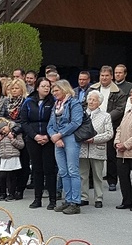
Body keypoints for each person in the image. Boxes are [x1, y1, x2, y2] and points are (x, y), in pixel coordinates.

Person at [48, 79, 84, 214]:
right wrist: (54, 136)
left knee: (73, 170)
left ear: (64, 89)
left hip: (71, 138)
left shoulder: (74, 103)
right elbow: (50, 125)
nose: (54, 93)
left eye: (56, 90)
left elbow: (76, 122)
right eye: (53, 91)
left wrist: (60, 134)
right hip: (58, 139)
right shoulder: (56, 105)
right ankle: (68, 200)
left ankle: (75, 202)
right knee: (63, 171)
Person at [20, 77, 57, 209]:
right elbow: (24, 121)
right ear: (37, 87)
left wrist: (47, 136)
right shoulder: (28, 101)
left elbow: (56, 120)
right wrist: (35, 136)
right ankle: (37, 199)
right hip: (33, 139)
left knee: (49, 169)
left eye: (48, 86)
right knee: (37, 169)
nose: (46, 88)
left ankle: (52, 199)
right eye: (43, 86)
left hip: (49, 139)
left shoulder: (53, 101)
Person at [90, 65, 126, 192]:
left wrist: (105, 118)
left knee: (111, 154)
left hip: (111, 124)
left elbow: (120, 109)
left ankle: (112, 181)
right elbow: (85, 104)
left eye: (107, 76)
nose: (104, 78)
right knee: (91, 153)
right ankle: (90, 180)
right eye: (102, 75)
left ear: (111, 77)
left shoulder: (118, 92)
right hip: (92, 124)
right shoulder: (92, 89)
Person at [79, 90, 113, 209]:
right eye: (90, 99)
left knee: (98, 175)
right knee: (82, 174)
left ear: (99, 103)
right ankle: (83, 197)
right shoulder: (81, 114)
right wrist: (82, 137)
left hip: (97, 149)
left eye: (94, 100)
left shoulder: (105, 116)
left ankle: (98, 198)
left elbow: (109, 133)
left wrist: (94, 139)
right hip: (83, 148)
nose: (91, 102)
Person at [6, 78, 30, 198]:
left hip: (23, 136)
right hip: (9, 135)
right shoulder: (7, 102)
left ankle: (20, 189)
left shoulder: (26, 102)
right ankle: (11, 189)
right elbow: (3, 117)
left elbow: (25, 120)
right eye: (12, 88)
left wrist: (14, 129)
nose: (14, 90)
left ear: (22, 89)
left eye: (17, 88)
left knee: (23, 164)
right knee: (11, 163)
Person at [0, 119, 24, 201]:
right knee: (2, 176)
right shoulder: (2, 136)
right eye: (1, 131)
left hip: (12, 156)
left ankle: (11, 193)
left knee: (11, 176)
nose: (3, 131)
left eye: (4, 129)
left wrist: (12, 139)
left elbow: (21, 145)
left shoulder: (15, 133)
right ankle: (3, 193)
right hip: (4, 157)